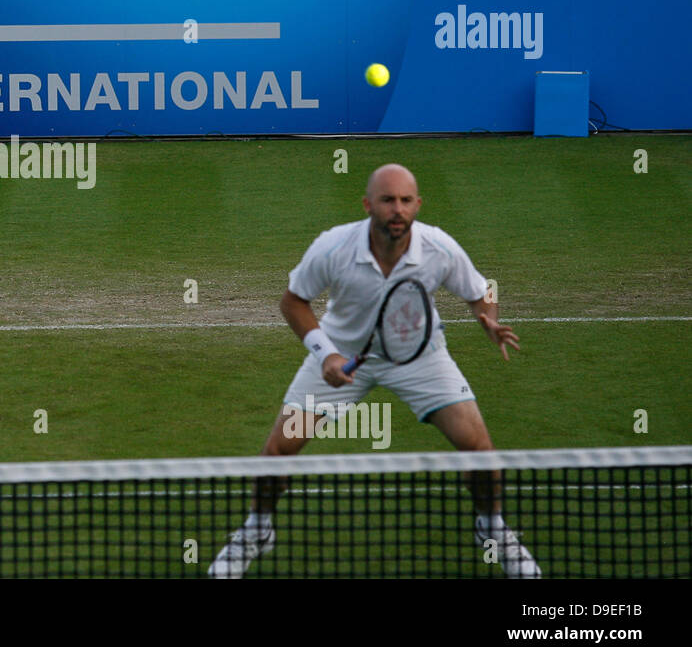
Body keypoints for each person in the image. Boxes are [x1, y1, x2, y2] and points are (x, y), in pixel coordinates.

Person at [209, 163, 540, 578]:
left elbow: (482, 289)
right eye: (387, 200)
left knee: (482, 453)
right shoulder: (333, 248)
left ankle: (492, 528)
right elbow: (293, 301)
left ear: (418, 205)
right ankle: (257, 530)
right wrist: (325, 353)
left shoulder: (438, 247)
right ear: (368, 204)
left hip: (421, 358)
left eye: (405, 200)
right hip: (344, 355)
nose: (396, 209)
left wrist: (486, 317)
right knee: (278, 451)